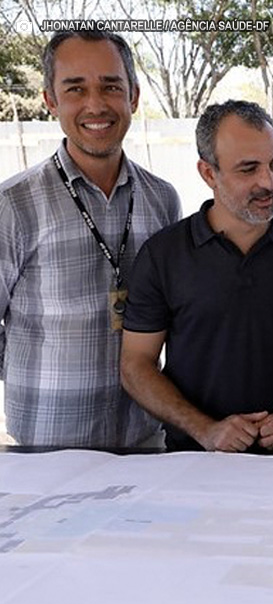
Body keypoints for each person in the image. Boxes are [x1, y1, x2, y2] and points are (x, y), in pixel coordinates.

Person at [119, 100, 273, 453]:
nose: (268, 182)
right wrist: (205, 430)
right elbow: (135, 365)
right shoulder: (163, 255)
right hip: (194, 460)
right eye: (248, 169)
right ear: (208, 173)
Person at [0, 30, 180, 448]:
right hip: (47, 446)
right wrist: (29, 367)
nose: (96, 105)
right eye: (75, 89)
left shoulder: (162, 199)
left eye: (111, 86)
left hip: (144, 442)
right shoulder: (13, 205)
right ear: (50, 100)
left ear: (134, 96)